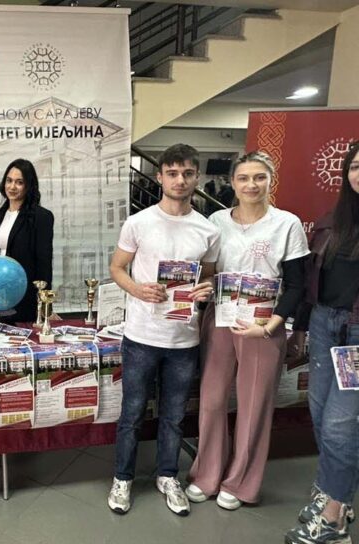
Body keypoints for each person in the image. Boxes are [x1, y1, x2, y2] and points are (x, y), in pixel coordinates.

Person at [186, 151, 309, 511]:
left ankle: (241, 481)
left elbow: (297, 285)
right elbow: (210, 272)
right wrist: (205, 286)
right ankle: (207, 473)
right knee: (211, 401)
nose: (251, 185)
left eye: (259, 177)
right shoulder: (216, 221)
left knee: (254, 405)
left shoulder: (286, 224)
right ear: (232, 182)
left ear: (271, 180)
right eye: (243, 178)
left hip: (263, 324)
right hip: (221, 318)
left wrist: (273, 325)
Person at [107, 143, 218, 517]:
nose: (179, 180)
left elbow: (208, 276)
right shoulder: (139, 222)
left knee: (173, 415)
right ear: (160, 177)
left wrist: (205, 290)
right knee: (132, 413)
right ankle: (123, 477)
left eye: (187, 173)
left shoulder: (207, 229)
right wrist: (137, 289)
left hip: (184, 339)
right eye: (172, 173)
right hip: (141, 336)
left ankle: (168, 475)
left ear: (196, 177)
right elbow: (117, 268)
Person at [284, 142, 359, 544]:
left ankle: (334, 520)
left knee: (340, 424)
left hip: (357, 334)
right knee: (319, 413)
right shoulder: (334, 220)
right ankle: (334, 492)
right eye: (356, 166)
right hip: (324, 326)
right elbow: (314, 281)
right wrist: (300, 326)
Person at [0, 158, 53, 323]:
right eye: (9, 181)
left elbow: (44, 263)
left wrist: (45, 304)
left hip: (25, 296)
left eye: (19, 182)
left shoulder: (41, 217)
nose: (12, 187)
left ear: (29, 186)